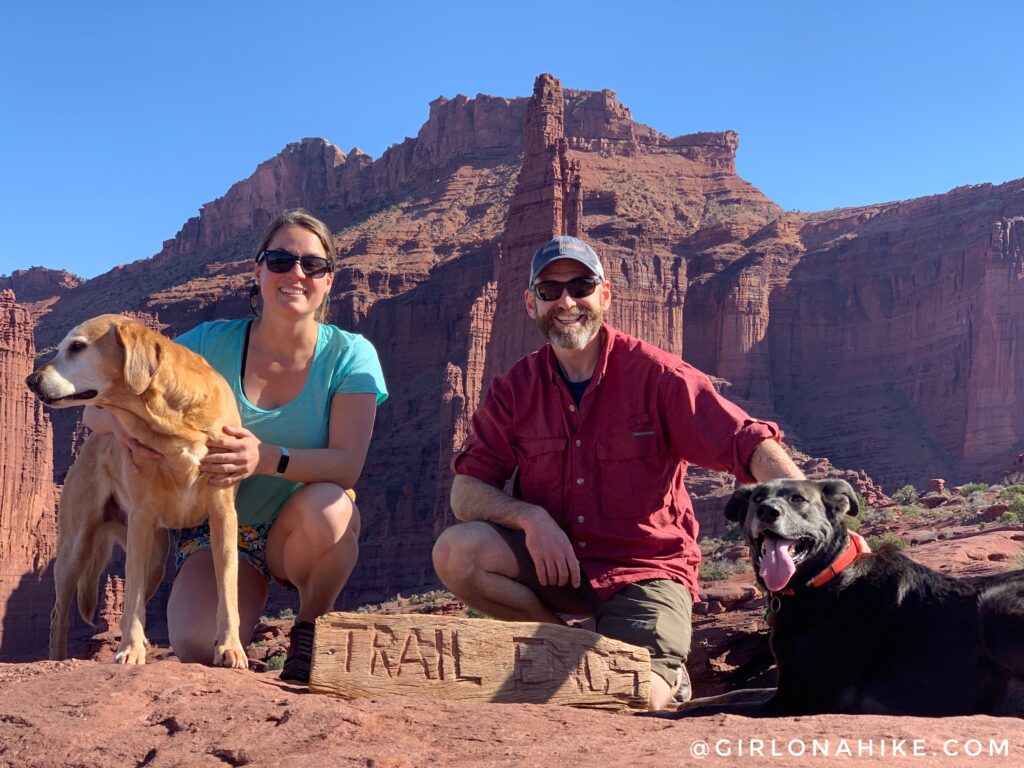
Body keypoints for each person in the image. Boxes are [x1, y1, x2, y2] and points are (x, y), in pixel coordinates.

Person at [432, 235, 804, 710]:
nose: (566, 301)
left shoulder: (657, 376)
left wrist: (810, 512)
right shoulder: (515, 388)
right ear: (531, 303)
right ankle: (561, 644)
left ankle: (662, 676)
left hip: (643, 572)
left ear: (604, 295)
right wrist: (530, 518)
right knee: (456, 551)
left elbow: (746, 443)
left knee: (632, 699)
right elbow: (467, 490)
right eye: (550, 290)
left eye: (581, 286)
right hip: (556, 567)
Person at [83, 209, 388, 682]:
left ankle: (309, 630)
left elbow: (346, 466)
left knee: (332, 507)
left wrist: (264, 458)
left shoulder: (351, 355)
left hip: (295, 528)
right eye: (281, 260)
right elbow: (95, 404)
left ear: (330, 280)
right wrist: (122, 425)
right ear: (258, 270)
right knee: (198, 645)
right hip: (217, 530)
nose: (296, 274)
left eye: (314, 265)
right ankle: (242, 632)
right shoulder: (208, 343)